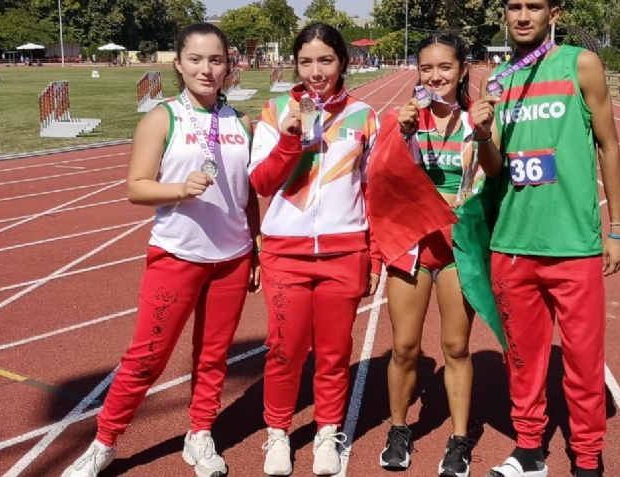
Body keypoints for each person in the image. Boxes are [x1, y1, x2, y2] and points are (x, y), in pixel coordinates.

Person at [61, 23, 259, 477]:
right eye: (196, 59)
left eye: (216, 60)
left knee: (213, 355)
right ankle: (104, 442)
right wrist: (178, 189)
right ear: (178, 64)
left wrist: (257, 244)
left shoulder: (240, 121)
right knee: (147, 356)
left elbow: (248, 193)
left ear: (229, 65)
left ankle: (200, 434)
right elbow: (135, 188)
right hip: (177, 256)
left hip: (231, 259)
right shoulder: (161, 117)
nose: (206, 69)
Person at [474, 0, 620, 476]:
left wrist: (617, 228)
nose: (523, 16)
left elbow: (609, 144)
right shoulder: (496, 80)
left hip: (572, 246)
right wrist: (481, 136)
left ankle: (586, 457)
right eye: (514, 6)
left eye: (533, 6)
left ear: (553, 12)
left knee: (583, 364)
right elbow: (496, 168)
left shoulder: (579, 64)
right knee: (522, 361)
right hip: (513, 244)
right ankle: (529, 449)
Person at [248, 22, 381, 477]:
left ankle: (327, 431)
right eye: (306, 61)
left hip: (345, 253)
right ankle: (279, 433)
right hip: (286, 252)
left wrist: (374, 255)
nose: (316, 70)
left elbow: (374, 192)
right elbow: (262, 183)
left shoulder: (365, 117)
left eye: (325, 60)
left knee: (333, 351)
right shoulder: (274, 111)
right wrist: (289, 137)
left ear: (343, 61)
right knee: (284, 349)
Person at [373, 32, 482, 477]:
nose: (435, 77)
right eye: (426, 68)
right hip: (411, 245)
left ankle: (459, 439)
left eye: (445, 68)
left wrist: (468, 199)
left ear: (462, 71)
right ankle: (399, 429)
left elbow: (492, 180)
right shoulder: (403, 120)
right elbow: (380, 179)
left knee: (456, 347)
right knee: (403, 347)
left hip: (457, 245)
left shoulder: (479, 120)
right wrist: (398, 133)